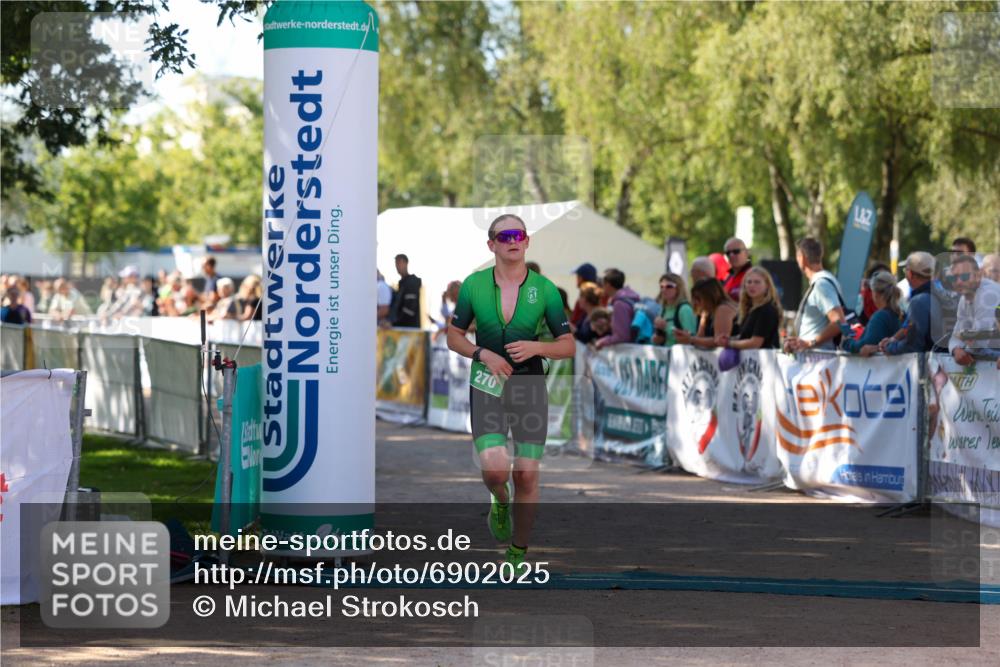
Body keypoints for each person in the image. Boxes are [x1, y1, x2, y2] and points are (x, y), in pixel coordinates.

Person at [447, 214, 574, 571]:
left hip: (529, 386)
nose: (512, 240)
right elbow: (453, 336)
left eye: (518, 234)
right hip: (486, 384)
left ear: (527, 241)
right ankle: (499, 499)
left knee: (527, 475)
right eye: (504, 236)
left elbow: (567, 345)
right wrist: (481, 353)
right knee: (496, 471)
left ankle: (518, 552)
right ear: (492, 245)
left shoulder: (545, 290)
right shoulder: (473, 286)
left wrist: (537, 348)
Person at [784, 237, 847, 352]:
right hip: (817, 360)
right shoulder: (823, 282)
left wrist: (810, 343)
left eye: (797, 256)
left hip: (819, 361)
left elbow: (839, 322)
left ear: (802, 258)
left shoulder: (821, 285)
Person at [947, 253, 1000, 366]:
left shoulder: (988, 294)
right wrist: (956, 350)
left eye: (965, 276)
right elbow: (956, 336)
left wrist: (963, 347)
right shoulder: (964, 298)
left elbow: (979, 345)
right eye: (954, 277)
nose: (959, 281)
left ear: (978, 275)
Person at [879, 252, 936, 356]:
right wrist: (893, 339)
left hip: (931, 368)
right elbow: (908, 327)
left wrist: (890, 347)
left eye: (905, 270)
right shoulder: (945, 295)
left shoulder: (919, 301)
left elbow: (912, 345)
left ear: (910, 274)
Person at [716, 267, 782, 350]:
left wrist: (729, 343)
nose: (752, 285)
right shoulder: (749, 309)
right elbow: (746, 336)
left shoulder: (767, 309)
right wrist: (729, 339)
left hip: (764, 360)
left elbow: (755, 343)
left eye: (757, 282)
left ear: (767, 286)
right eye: (749, 282)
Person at [844, 271, 902, 356]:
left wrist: (847, 342)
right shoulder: (896, 313)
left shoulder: (880, 316)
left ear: (875, 294)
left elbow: (864, 346)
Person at [676, 278, 737, 349]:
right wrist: (688, 337)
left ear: (710, 296)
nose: (695, 302)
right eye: (694, 298)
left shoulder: (723, 309)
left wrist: (691, 339)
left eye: (698, 298)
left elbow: (719, 341)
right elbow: (700, 338)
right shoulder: (707, 311)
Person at [593, 268, 640, 349]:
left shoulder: (619, 304)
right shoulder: (628, 298)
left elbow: (622, 336)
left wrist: (602, 342)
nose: (601, 286)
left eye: (602, 283)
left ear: (608, 284)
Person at [652, 273, 697, 347]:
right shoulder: (663, 309)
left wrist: (665, 328)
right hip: (666, 355)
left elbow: (691, 338)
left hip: (681, 355)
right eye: (661, 286)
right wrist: (657, 334)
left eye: (669, 286)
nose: (664, 289)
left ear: (678, 288)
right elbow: (659, 340)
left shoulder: (685, 309)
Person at [391, 253, 422, 328]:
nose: (397, 266)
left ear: (406, 263)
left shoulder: (411, 282)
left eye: (399, 262)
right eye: (396, 263)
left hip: (409, 331)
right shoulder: (402, 283)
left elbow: (409, 310)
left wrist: (394, 323)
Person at [569, 262, 599, 328]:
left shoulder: (583, 299)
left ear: (581, 278)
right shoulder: (599, 294)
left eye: (577, 277)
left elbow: (574, 320)